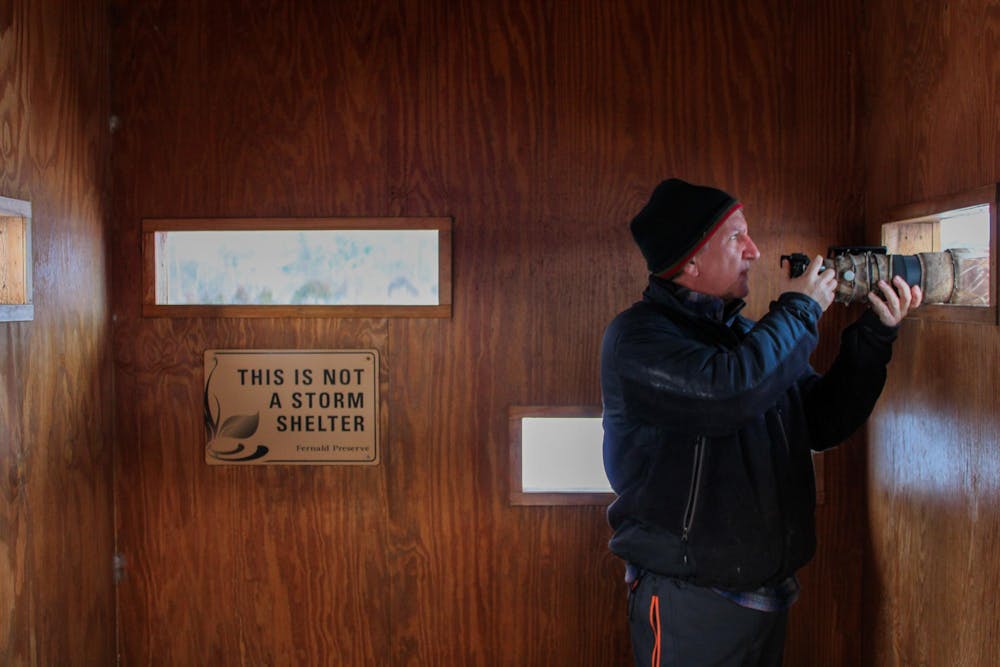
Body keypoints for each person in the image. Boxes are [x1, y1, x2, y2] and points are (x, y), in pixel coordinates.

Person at [600, 178, 921, 667]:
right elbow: (729, 393)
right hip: (692, 598)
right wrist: (802, 307)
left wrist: (875, 336)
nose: (754, 250)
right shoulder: (638, 340)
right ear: (689, 261)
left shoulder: (745, 338)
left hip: (764, 594)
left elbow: (821, 419)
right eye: (736, 238)